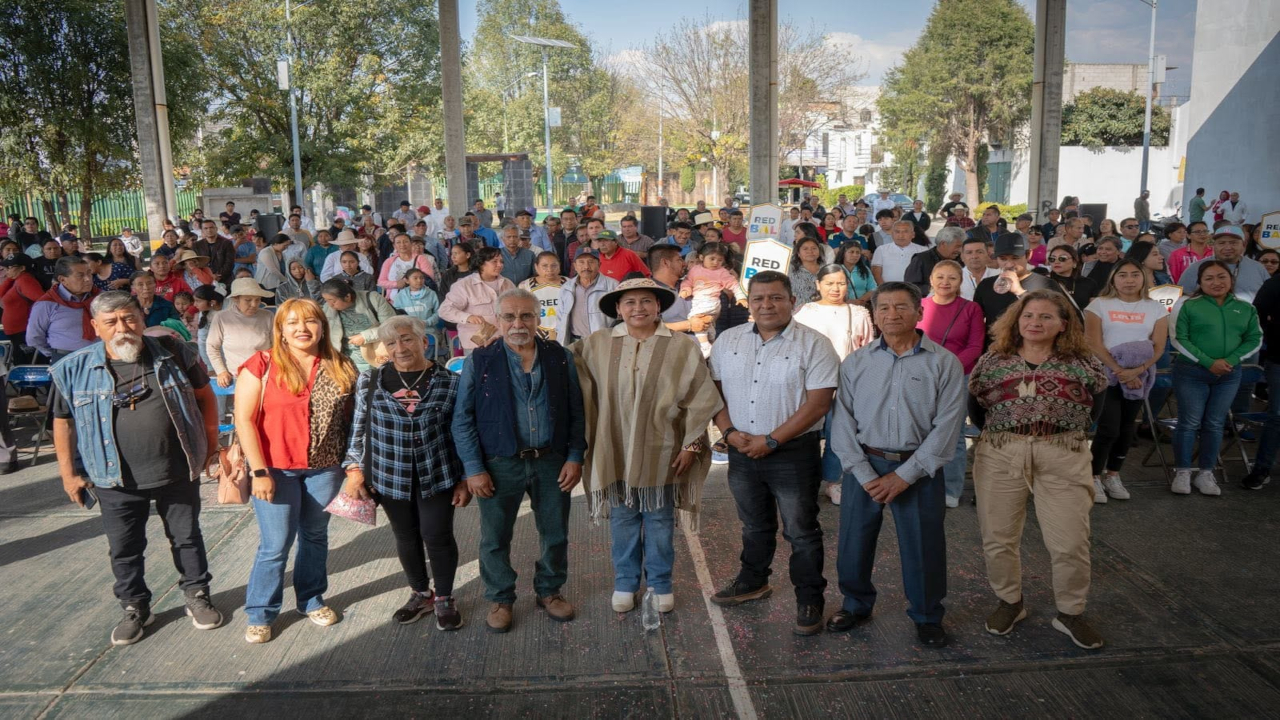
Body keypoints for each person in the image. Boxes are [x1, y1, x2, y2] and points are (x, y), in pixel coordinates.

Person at [51, 291, 223, 646]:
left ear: (142, 320)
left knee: (187, 538)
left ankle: (197, 595)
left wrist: (210, 445)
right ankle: (135, 607)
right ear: (95, 326)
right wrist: (69, 475)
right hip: (113, 478)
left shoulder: (174, 353)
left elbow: (205, 396)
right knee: (124, 547)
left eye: (129, 318)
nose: (122, 327)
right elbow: (63, 423)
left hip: (177, 468)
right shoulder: (73, 369)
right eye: (111, 322)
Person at [825, 280, 964, 646]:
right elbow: (842, 423)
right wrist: (862, 472)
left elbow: (948, 427)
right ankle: (855, 604)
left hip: (918, 469)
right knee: (854, 541)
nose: (892, 314)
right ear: (874, 315)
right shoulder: (856, 362)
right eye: (883, 307)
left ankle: (927, 615)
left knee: (923, 545)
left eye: (901, 306)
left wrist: (905, 476)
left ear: (919, 312)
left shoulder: (944, 363)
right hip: (865, 466)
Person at [572, 279, 724, 613]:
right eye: (629, 302)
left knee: (659, 520)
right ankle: (625, 583)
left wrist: (692, 445)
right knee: (623, 518)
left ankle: (660, 583)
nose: (638, 308)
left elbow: (700, 398)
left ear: (658, 306)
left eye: (646, 301)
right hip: (614, 450)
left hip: (663, 450)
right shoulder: (595, 344)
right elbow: (562, 367)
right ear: (618, 308)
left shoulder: (681, 346)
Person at [969, 289, 1109, 650]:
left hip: (1063, 454)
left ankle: (1070, 613)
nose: (1035, 322)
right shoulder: (993, 360)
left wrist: (1055, 430)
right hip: (1001, 452)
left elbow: (1096, 406)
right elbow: (977, 409)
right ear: (1016, 320)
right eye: (1029, 315)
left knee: (1070, 541)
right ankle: (1009, 602)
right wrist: (1014, 431)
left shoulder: (1084, 362)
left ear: (1063, 324)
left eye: (1046, 316)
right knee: (998, 536)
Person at [708, 270, 839, 636]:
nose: (767, 305)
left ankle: (809, 598)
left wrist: (771, 440)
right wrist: (729, 432)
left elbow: (818, 404)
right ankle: (753, 581)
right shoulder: (728, 340)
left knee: (801, 531)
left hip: (793, 454)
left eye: (776, 297)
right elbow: (714, 393)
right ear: (748, 303)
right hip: (741, 450)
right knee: (753, 524)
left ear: (792, 302)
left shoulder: (815, 344)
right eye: (759, 298)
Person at [451, 289, 587, 633]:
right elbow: (462, 419)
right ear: (497, 320)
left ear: (538, 318)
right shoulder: (480, 360)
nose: (518, 324)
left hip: (551, 461)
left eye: (526, 315)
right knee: (495, 536)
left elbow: (576, 410)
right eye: (509, 316)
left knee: (554, 532)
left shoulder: (559, 357)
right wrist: (474, 469)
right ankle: (500, 597)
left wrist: (574, 456)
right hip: (500, 464)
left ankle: (550, 591)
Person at [234, 298, 357, 643]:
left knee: (315, 536)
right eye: (292, 322)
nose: (302, 328)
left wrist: (354, 468)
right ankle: (261, 613)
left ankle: (311, 599)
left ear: (322, 327)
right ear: (281, 330)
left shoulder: (341, 365)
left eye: (310, 321)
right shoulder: (262, 364)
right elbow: (244, 420)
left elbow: (352, 421)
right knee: (275, 545)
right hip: (276, 470)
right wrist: (259, 472)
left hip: (325, 469)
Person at [340, 316, 468, 629]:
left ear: (424, 341)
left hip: (437, 473)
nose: (400, 347)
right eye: (391, 342)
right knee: (406, 536)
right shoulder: (370, 380)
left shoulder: (451, 382)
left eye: (407, 339)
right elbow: (358, 428)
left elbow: (463, 432)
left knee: (437, 535)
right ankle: (421, 593)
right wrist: (354, 469)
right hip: (389, 475)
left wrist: (465, 477)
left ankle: (444, 598)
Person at [1168, 260, 1262, 496]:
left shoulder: (1245, 308)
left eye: (1222, 277)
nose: (1216, 282)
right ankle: (1182, 472)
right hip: (1191, 372)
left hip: (1229, 374)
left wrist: (1230, 359)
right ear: (1200, 283)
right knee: (1189, 422)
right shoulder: (1187, 305)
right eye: (1208, 278)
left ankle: (1206, 472)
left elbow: (1254, 338)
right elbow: (1179, 338)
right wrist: (1209, 362)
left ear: (1231, 280)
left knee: (1214, 423)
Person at [1084, 260, 1168, 504]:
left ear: (1143, 278)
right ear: (1113, 279)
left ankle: (1113, 474)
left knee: (1126, 428)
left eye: (1134, 275)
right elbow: (1093, 342)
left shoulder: (1156, 308)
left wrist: (1137, 371)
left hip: (1139, 377)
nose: (1129, 280)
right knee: (1108, 428)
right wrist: (1119, 370)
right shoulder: (1099, 305)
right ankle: (1093, 476)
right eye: (1122, 275)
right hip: (1106, 374)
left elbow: (1159, 346)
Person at [794, 266, 876, 506]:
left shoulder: (858, 313)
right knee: (806, 433)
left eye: (840, 283)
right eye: (829, 283)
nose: (835, 289)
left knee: (838, 435)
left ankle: (833, 481)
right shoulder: (805, 312)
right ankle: (805, 481)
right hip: (809, 385)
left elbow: (867, 349)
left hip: (845, 385)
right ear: (818, 284)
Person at [918, 261, 985, 507]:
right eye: (940, 276)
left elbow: (975, 346)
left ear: (960, 281)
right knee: (920, 431)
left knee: (953, 435)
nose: (945, 282)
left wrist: (949, 367)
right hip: (921, 376)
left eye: (952, 278)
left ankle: (951, 489)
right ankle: (919, 483)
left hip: (958, 376)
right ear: (931, 279)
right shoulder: (919, 305)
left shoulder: (971, 308)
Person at [972, 233, 1061, 337]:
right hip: (995, 344)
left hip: (1034, 345)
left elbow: (1058, 318)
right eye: (1003, 259)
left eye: (1015, 258)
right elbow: (975, 322)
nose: (1009, 264)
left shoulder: (1047, 284)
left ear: (1028, 255)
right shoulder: (986, 285)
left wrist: (1019, 292)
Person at [438, 247, 515, 354]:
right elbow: (444, 310)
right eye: (494, 262)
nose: (500, 265)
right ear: (481, 263)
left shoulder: (507, 284)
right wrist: (467, 317)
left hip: (505, 342)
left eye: (501, 261)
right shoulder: (464, 285)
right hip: (476, 346)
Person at [28, 256, 100, 362]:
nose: (88, 279)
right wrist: (55, 354)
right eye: (80, 275)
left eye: (89, 273)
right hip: (65, 359)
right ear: (62, 280)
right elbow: (34, 337)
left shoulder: (101, 298)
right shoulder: (47, 304)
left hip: (99, 356)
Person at [205, 278, 275, 388]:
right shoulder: (221, 318)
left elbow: (277, 346)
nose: (254, 304)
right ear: (236, 299)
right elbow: (212, 347)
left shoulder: (268, 316)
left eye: (257, 300)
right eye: (248, 300)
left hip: (266, 375)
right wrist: (221, 371)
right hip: (237, 376)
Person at [318, 278, 398, 372]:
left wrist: (365, 336)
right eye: (326, 300)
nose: (330, 304)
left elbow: (392, 327)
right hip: (346, 362)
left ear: (347, 297)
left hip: (377, 357)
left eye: (333, 301)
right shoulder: (327, 309)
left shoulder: (373, 299)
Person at [1179, 226, 1269, 302]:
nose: (1228, 247)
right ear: (1213, 245)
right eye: (1221, 243)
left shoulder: (1258, 268)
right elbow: (1182, 297)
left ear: (1244, 244)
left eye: (1233, 243)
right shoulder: (1196, 268)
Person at [556, 248, 618, 345]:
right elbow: (560, 318)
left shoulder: (613, 286)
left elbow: (620, 318)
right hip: (574, 342)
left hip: (603, 342)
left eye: (591, 262)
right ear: (575, 266)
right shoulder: (566, 288)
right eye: (581, 262)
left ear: (599, 264)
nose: (586, 267)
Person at [679, 242, 746, 321]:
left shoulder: (722, 272)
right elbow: (688, 281)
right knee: (701, 323)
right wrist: (685, 289)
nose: (715, 262)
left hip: (711, 301)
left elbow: (734, 285)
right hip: (696, 301)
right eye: (712, 259)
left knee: (694, 319)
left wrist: (741, 297)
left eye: (720, 260)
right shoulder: (695, 269)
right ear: (701, 257)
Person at [0, 254, 44, 365]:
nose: (7, 270)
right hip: (18, 332)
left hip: (24, 331)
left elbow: (42, 300)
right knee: (20, 360)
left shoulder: (25, 281)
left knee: (25, 363)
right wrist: (10, 278)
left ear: (22, 268)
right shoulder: (17, 280)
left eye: (10, 267)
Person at [377, 232, 437, 303]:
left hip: (418, 301)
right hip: (393, 302)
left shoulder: (421, 259)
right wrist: (396, 284)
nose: (402, 245)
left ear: (411, 244)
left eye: (405, 241)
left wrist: (408, 282)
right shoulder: (389, 261)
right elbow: (381, 282)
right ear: (394, 246)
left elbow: (428, 279)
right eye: (398, 242)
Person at [904, 226, 964, 294]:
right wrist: (936, 289)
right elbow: (910, 287)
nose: (960, 250)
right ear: (943, 244)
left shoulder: (962, 260)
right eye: (957, 246)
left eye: (962, 247)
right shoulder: (921, 260)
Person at [1045, 244, 1099, 317]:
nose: (1056, 262)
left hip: (1081, 322)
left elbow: (1094, 312)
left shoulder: (1089, 283)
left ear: (1074, 262)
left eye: (1062, 258)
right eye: (1052, 259)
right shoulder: (1044, 282)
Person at [788, 236, 825, 311]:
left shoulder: (827, 269)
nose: (810, 251)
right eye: (805, 249)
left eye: (814, 248)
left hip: (823, 311)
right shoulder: (789, 270)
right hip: (797, 312)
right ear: (798, 253)